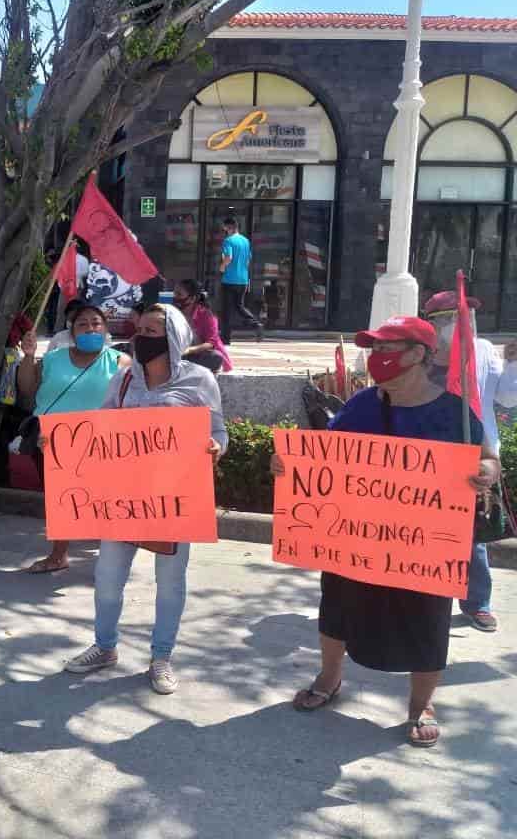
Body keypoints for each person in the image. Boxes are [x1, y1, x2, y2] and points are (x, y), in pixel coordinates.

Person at [274, 316, 495, 747]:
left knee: (427, 621)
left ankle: (420, 704)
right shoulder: (360, 405)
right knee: (337, 607)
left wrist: (484, 472)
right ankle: (330, 677)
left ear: (418, 355)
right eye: (374, 349)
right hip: (352, 538)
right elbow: (325, 456)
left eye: (387, 347)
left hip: (423, 544)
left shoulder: (454, 413)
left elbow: (488, 459)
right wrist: (287, 464)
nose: (378, 357)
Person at [63, 304, 226, 694]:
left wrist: (214, 448)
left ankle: (161, 657)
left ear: (175, 337)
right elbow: (100, 430)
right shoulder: (122, 381)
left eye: (153, 330)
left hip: (173, 500)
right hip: (124, 498)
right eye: (140, 329)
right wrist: (62, 445)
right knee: (106, 580)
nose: (142, 337)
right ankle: (104, 647)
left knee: (169, 584)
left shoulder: (200, 381)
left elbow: (218, 432)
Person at [423, 291, 517, 633]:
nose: (459, 323)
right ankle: (425, 599)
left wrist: (515, 363)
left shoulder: (485, 350)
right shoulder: (425, 354)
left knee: (471, 535)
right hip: (431, 454)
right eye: (449, 318)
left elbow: (507, 396)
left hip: (480, 456)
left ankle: (477, 603)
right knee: (425, 529)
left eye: (463, 315)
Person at [17, 302, 131, 573]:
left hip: (99, 442)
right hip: (50, 442)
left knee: (104, 499)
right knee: (59, 498)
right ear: (72, 331)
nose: (90, 328)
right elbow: (26, 388)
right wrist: (29, 356)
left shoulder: (120, 362)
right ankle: (59, 555)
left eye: (96, 323)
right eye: (83, 324)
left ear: (105, 329)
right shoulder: (54, 358)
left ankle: (110, 561)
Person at [218, 217, 263, 345]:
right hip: (242, 279)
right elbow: (248, 260)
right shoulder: (245, 241)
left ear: (229, 227)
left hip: (229, 279)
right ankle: (256, 324)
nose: (223, 230)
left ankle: (225, 338)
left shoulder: (228, 241)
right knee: (239, 306)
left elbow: (228, 257)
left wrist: (221, 268)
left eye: (224, 227)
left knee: (226, 309)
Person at [174, 279, 232, 373]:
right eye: (175, 294)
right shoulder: (172, 313)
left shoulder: (206, 315)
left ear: (192, 298)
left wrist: (189, 350)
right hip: (179, 354)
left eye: (179, 294)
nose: (175, 297)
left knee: (215, 357)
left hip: (200, 354)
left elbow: (211, 343)